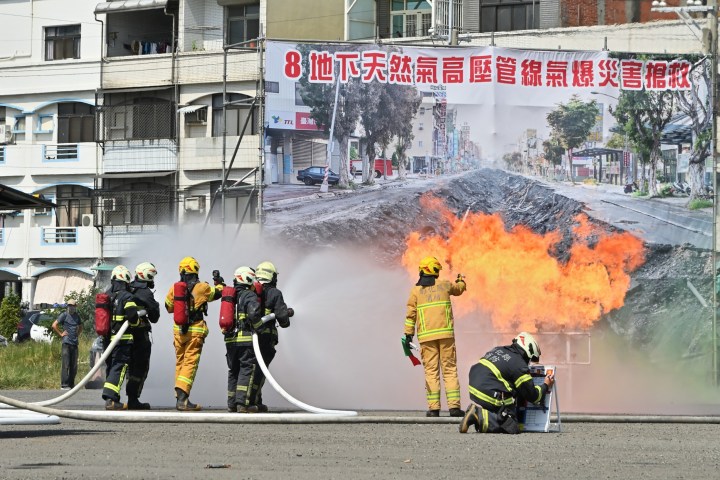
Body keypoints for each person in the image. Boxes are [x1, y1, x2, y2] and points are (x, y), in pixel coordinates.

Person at [404, 256, 466, 417]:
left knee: (431, 372)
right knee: (450, 370)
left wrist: (408, 335)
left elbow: (410, 315)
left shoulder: (416, 291)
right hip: (446, 336)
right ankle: (454, 408)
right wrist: (461, 280)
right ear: (435, 271)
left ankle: (433, 409)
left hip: (426, 339)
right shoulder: (445, 285)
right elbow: (458, 289)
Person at [459, 332, 555, 434]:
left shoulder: (498, 349)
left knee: (506, 403)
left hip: (475, 386)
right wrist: (545, 384)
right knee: (512, 425)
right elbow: (533, 396)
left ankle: (484, 415)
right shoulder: (519, 364)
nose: (528, 362)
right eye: (530, 358)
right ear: (528, 350)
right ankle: (478, 414)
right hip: (488, 391)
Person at [164, 256, 224, 411]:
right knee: (190, 363)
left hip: (178, 332)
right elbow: (217, 294)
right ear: (195, 270)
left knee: (180, 362)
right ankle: (183, 399)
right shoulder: (202, 287)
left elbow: (168, 307)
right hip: (194, 332)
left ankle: (179, 397)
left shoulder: (174, 288)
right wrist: (220, 283)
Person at [252, 261, 294, 412]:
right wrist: (286, 314)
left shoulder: (249, 291)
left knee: (247, 369)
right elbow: (284, 322)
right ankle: (252, 401)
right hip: (265, 338)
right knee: (260, 370)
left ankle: (246, 400)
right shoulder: (275, 293)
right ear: (272, 276)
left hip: (246, 337)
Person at [223, 266, 263, 413]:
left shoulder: (230, 296)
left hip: (230, 340)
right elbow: (253, 314)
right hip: (245, 339)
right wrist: (259, 327)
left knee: (233, 370)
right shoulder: (248, 295)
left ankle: (232, 403)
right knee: (247, 369)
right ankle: (243, 404)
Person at [102, 265, 140, 410]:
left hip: (107, 339)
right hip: (122, 340)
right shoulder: (127, 296)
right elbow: (132, 316)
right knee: (120, 367)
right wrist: (137, 322)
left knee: (111, 367)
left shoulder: (106, 295)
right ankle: (111, 399)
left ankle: (113, 398)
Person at [126, 261, 160, 410]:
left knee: (125, 367)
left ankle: (114, 399)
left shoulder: (127, 287)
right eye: (151, 277)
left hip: (124, 337)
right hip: (140, 336)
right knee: (140, 367)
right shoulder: (145, 292)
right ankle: (133, 399)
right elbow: (154, 316)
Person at [52, 299, 83, 390]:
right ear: (67, 306)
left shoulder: (77, 316)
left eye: (73, 306)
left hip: (74, 343)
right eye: (69, 305)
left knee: (74, 365)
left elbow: (80, 326)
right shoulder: (64, 315)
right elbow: (54, 325)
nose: (71, 307)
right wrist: (61, 334)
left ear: (75, 306)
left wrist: (78, 333)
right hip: (66, 342)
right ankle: (64, 385)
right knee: (66, 364)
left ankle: (71, 384)